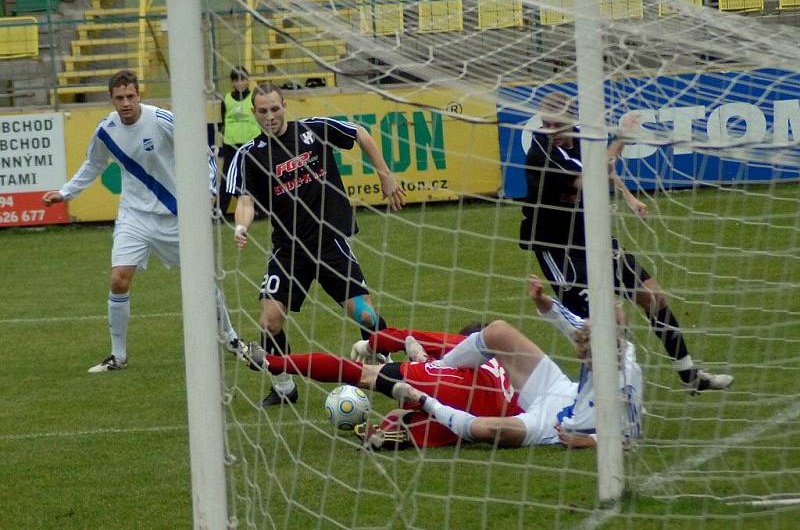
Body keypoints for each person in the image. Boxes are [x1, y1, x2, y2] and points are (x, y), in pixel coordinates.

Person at [242, 275, 642, 451]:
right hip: (551, 394)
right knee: (499, 333)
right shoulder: (601, 343)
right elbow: (576, 328)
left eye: (585, 348)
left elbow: (630, 436)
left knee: (482, 428)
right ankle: (397, 427)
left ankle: (277, 363)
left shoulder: (627, 375)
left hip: (548, 424)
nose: (581, 349)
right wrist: (548, 306)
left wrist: (586, 440)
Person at [519, 91, 733, 394]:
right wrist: (621, 138)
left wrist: (629, 197)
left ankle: (690, 376)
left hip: (591, 234)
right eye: (547, 123)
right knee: (598, 326)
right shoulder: (542, 154)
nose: (551, 130)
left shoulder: (580, 137)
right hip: (558, 247)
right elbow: (590, 176)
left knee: (653, 297)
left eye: (557, 124)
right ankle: (598, 405)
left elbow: (600, 168)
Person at [42, 69, 241, 372]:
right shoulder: (106, 131)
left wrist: (210, 187)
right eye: (119, 98)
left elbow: (203, 152)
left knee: (202, 280)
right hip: (134, 216)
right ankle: (118, 356)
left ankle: (230, 337)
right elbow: (93, 163)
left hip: (176, 215)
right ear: (111, 99)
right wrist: (66, 192)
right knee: (119, 278)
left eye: (130, 97)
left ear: (139, 95)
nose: (125, 103)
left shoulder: (162, 119)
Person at [226, 82, 406, 407]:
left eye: (275, 108)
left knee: (365, 316)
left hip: (329, 242)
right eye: (263, 111)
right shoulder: (249, 155)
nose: (270, 116)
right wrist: (241, 225)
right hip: (288, 250)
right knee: (268, 320)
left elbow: (361, 134)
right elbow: (246, 200)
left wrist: (385, 174)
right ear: (254, 113)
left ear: (285, 106)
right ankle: (284, 387)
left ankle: (386, 372)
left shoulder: (314, 130)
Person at [216, 67, 262, 218]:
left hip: (252, 144)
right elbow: (223, 122)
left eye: (243, 79)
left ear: (248, 79)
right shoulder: (227, 99)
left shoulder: (255, 98)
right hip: (232, 145)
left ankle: (261, 209)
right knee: (227, 179)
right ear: (232, 83)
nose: (241, 83)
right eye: (237, 80)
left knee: (258, 177)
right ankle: (220, 211)